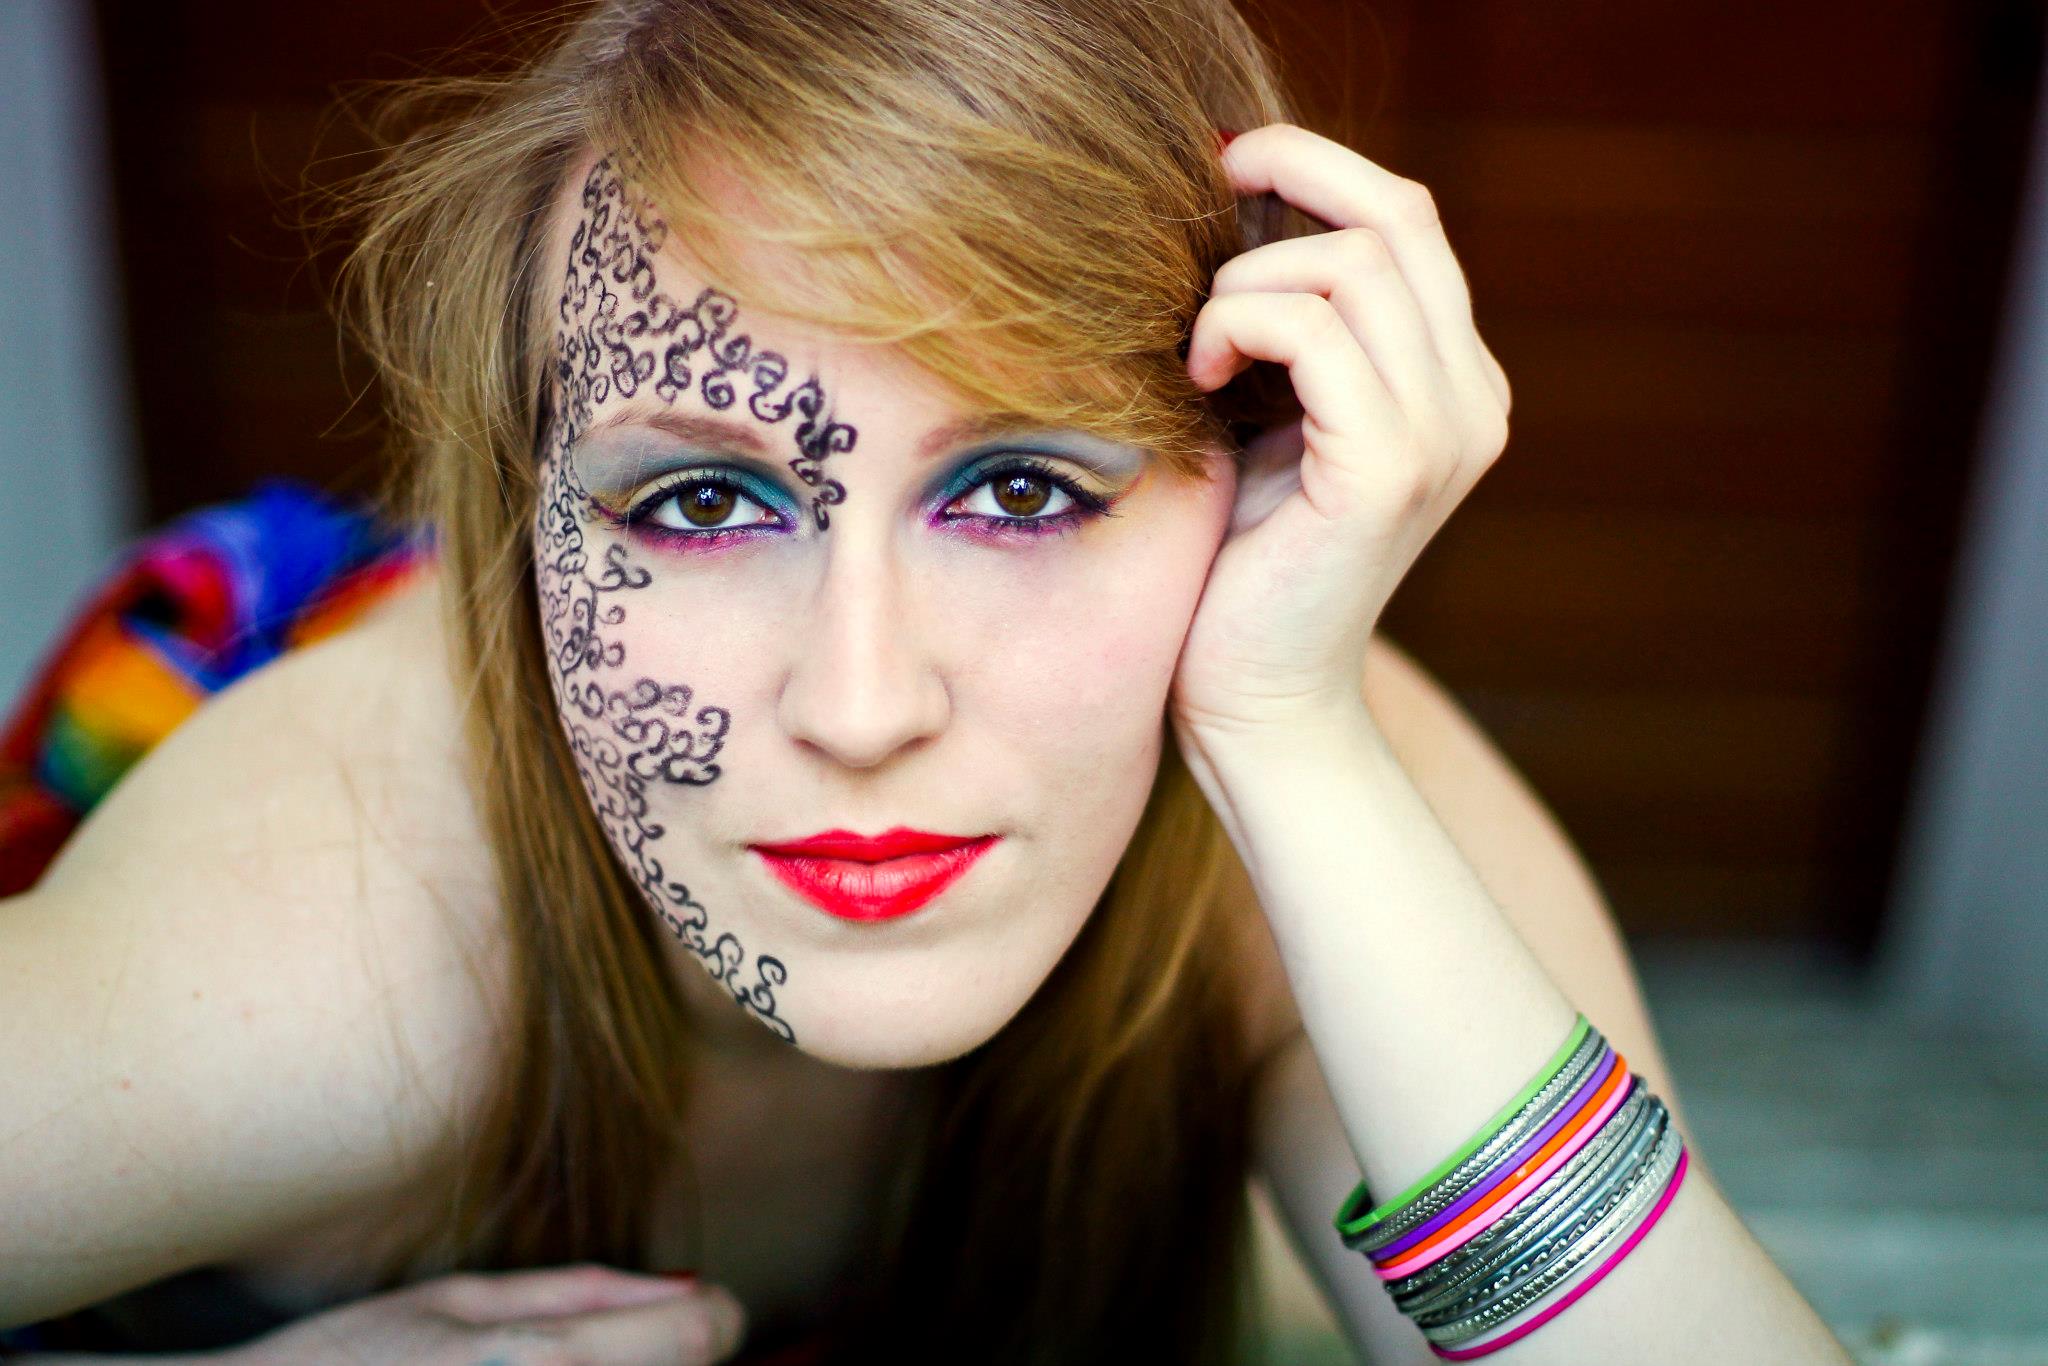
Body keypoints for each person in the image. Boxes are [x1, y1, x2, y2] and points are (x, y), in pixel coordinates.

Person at [0, 1, 1859, 1363]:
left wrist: (1294, 741)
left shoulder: (1319, 805)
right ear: (516, 525)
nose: (864, 701)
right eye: (700, 499)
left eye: (1024, 489)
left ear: (1249, 480)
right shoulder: (330, 924)